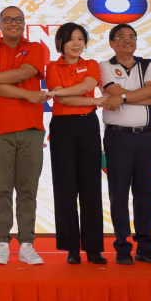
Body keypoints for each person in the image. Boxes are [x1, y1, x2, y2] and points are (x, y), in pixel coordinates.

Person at [0, 6, 47, 265]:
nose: (13, 23)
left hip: (31, 128)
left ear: (24, 23)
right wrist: (25, 93)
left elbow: (25, 73)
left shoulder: (36, 48)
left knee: (28, 189)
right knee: (1, 188)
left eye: (18, 19)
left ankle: (27, 243)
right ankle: (1, 242)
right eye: (8, 19)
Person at [99, 23, 151, 265]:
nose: (127, 40)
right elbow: (113, 92)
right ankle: (122, 247)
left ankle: (145, 247)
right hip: (118, 138)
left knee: (145, 194)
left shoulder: (148, 64)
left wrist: (125, 98)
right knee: (118, 193)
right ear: (112, 43)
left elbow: (150, 88)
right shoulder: (105, 66)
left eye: (131, 36)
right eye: (121, 37)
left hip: (146, 137)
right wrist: (150, 100)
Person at [45, 23, 109, 265]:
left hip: (87, 125)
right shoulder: (52, 67)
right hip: (62, 127)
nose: (76, 43)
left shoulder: (92, 64)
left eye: (80, 38)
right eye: (71, 39)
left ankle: (93, 247)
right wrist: (85, 97)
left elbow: (87, 86)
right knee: (65, 188)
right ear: (61, 42)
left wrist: (66, 93)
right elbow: (59, 94)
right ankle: (71, 247)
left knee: (91, 187)